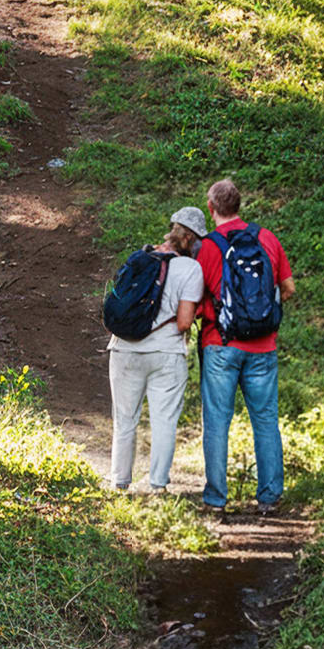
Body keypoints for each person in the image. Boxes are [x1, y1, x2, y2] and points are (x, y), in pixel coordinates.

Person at [193, 173, 294, 514]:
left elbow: (193, 300)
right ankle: (269, 499)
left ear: (211, 208)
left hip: (220, 344)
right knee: (265, 421)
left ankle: (216, 500)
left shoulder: (208, 247)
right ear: (239, 206)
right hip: (264, 347)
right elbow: (289, 288)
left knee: (217, 422)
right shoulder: (267, 238)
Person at [105, 205, 209, 495]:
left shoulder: (141, 258)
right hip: (166, 353)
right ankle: (157, 485)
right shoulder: (191, 269)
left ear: (173, 229)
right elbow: (185, 321)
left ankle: (119, 482)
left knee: (125, 419)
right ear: (193, 239)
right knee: (164, 420)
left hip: (124, 349)